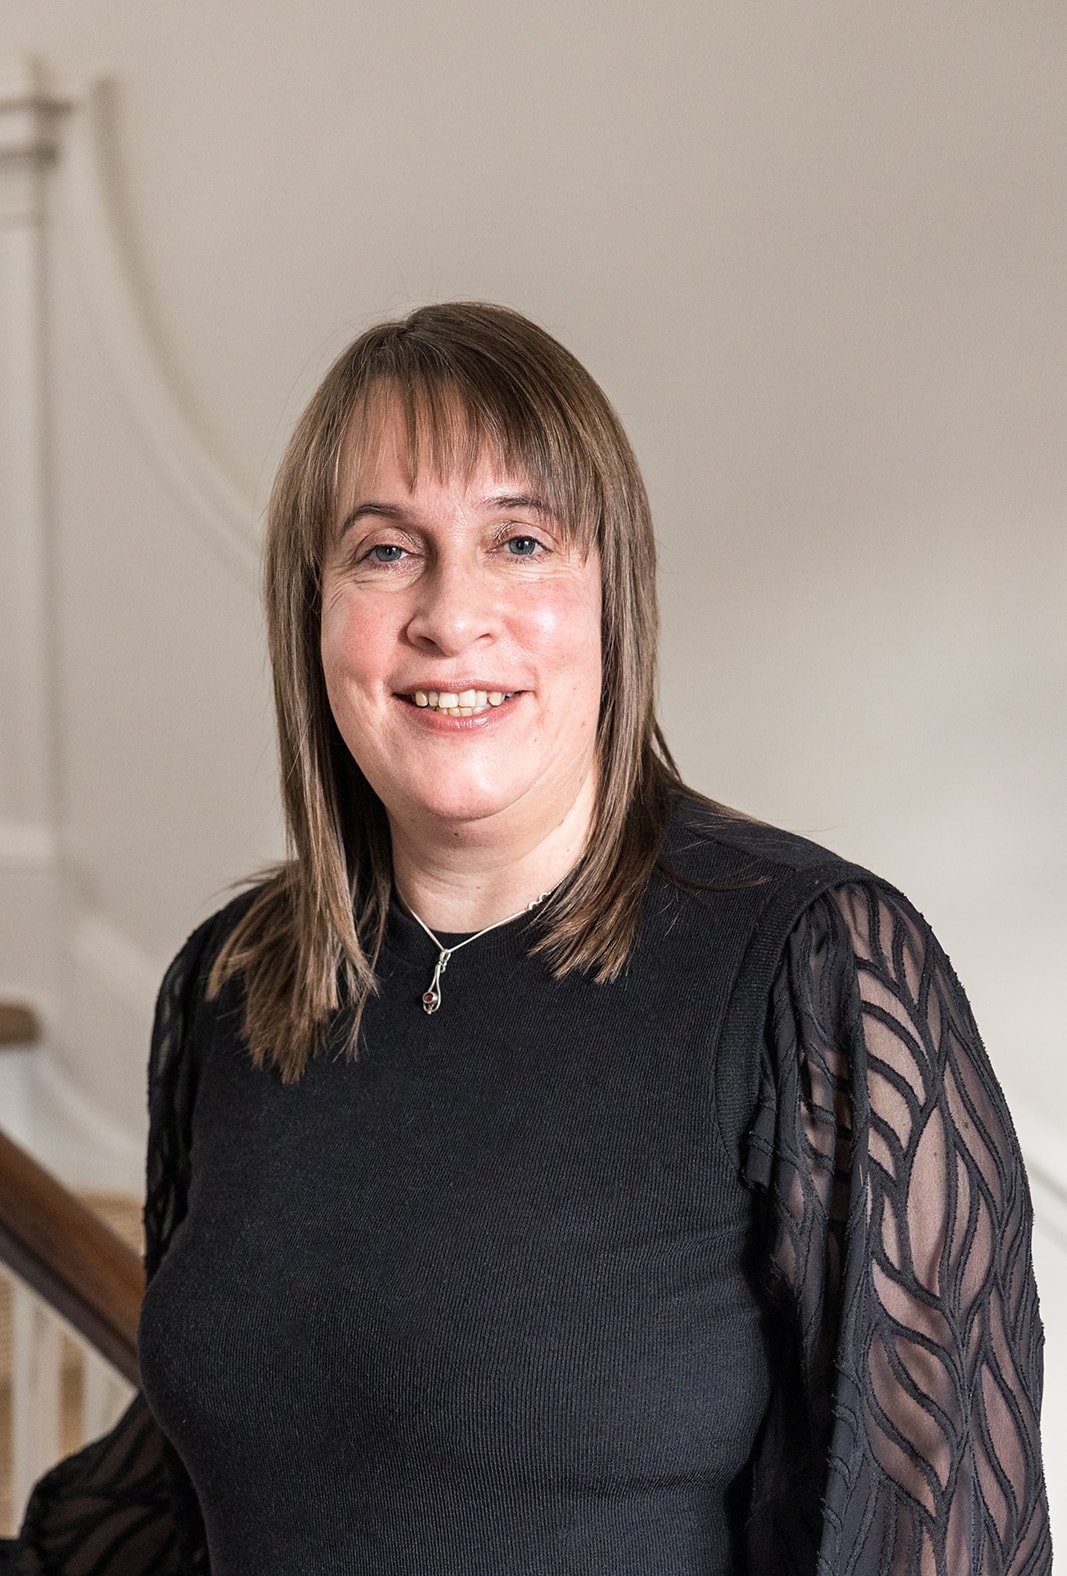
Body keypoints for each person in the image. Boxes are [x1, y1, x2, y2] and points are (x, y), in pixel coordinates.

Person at [2, 302, 1050, 1574]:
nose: (452, 614)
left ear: (614, 591)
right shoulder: (232, 981)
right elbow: (187, 1479)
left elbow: (933, 1533)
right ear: (312, 612)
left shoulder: (811, 971)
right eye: (385, 551)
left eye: (518, 539)